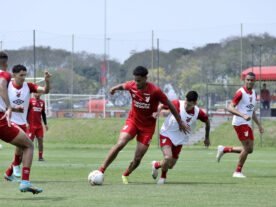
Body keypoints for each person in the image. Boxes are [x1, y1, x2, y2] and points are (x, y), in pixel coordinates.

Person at [98, 66, 189, 184]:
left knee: (137, 158)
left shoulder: (155, 91)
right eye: (135, 80)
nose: (136, 83)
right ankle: (101, 171)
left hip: (147, 128)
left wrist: (180, 121)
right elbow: (122, 86)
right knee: (120, 143)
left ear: (146, 78)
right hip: (133, 121)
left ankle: (126, 174)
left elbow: (170, 105)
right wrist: (114, 89)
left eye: (139, 81)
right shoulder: (132, 85)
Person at [0, 52, 42, 194]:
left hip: (17, 120)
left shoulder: (27, 86)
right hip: (2, 120)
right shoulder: (4, 75)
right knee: (28, 145)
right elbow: (1, 85)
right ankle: (25, 182)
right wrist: (9, 107)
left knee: (22, 144)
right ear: (6, 64)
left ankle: (12, 170)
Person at [151, 91, 210, 184]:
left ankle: (156, 165)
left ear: (195, 104)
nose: (186, 106)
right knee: (168, 157)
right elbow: (161, 106)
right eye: (186, 103)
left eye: (189, 105)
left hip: (180, 139)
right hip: (167, 133)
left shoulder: (198, 112)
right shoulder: (177, 103)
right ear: (185, 99)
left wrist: (207, 137)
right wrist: (157, 112)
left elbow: (207, 122)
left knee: (170, 165)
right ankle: (163, 177)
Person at [4, 64, 51, 182]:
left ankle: (9, 173)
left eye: (25, 75)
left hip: (23, 122)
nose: (24, 77)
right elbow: (3, 106)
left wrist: (47, 81)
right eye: (21, 75)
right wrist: (14, 109)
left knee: (23, 149)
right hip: (10, 121)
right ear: (14, 75)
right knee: (23, 146)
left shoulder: (28, 86)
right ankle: (16, 168)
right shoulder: (7, 86)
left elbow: (45, 90)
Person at [216, 72, 264, 178]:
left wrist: (259, 125)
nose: (249, 82)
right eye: (248, 80)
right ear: (245, 80)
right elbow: (230, 107)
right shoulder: (240, 93)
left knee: (250, 149)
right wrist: (242, 115)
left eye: (252, 80)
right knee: (246, 148)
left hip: (247, 123)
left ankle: (224, 149)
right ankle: (237, 172)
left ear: (254, 81)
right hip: (239, 123)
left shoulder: (254, 93)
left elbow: (252, 111)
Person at [27, 93, 48, 161]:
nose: (38, 94)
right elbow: (26, 112)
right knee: (30, 142)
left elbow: (43, 114)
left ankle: (40, 157)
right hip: (31, 125)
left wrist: (45, 124)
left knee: (41, 141)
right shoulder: (30, 101)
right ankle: (28, 155)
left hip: (39, 126)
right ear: (34, 93)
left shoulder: (42, 102)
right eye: (36, 93)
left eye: (39, 93)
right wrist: (26, 122)